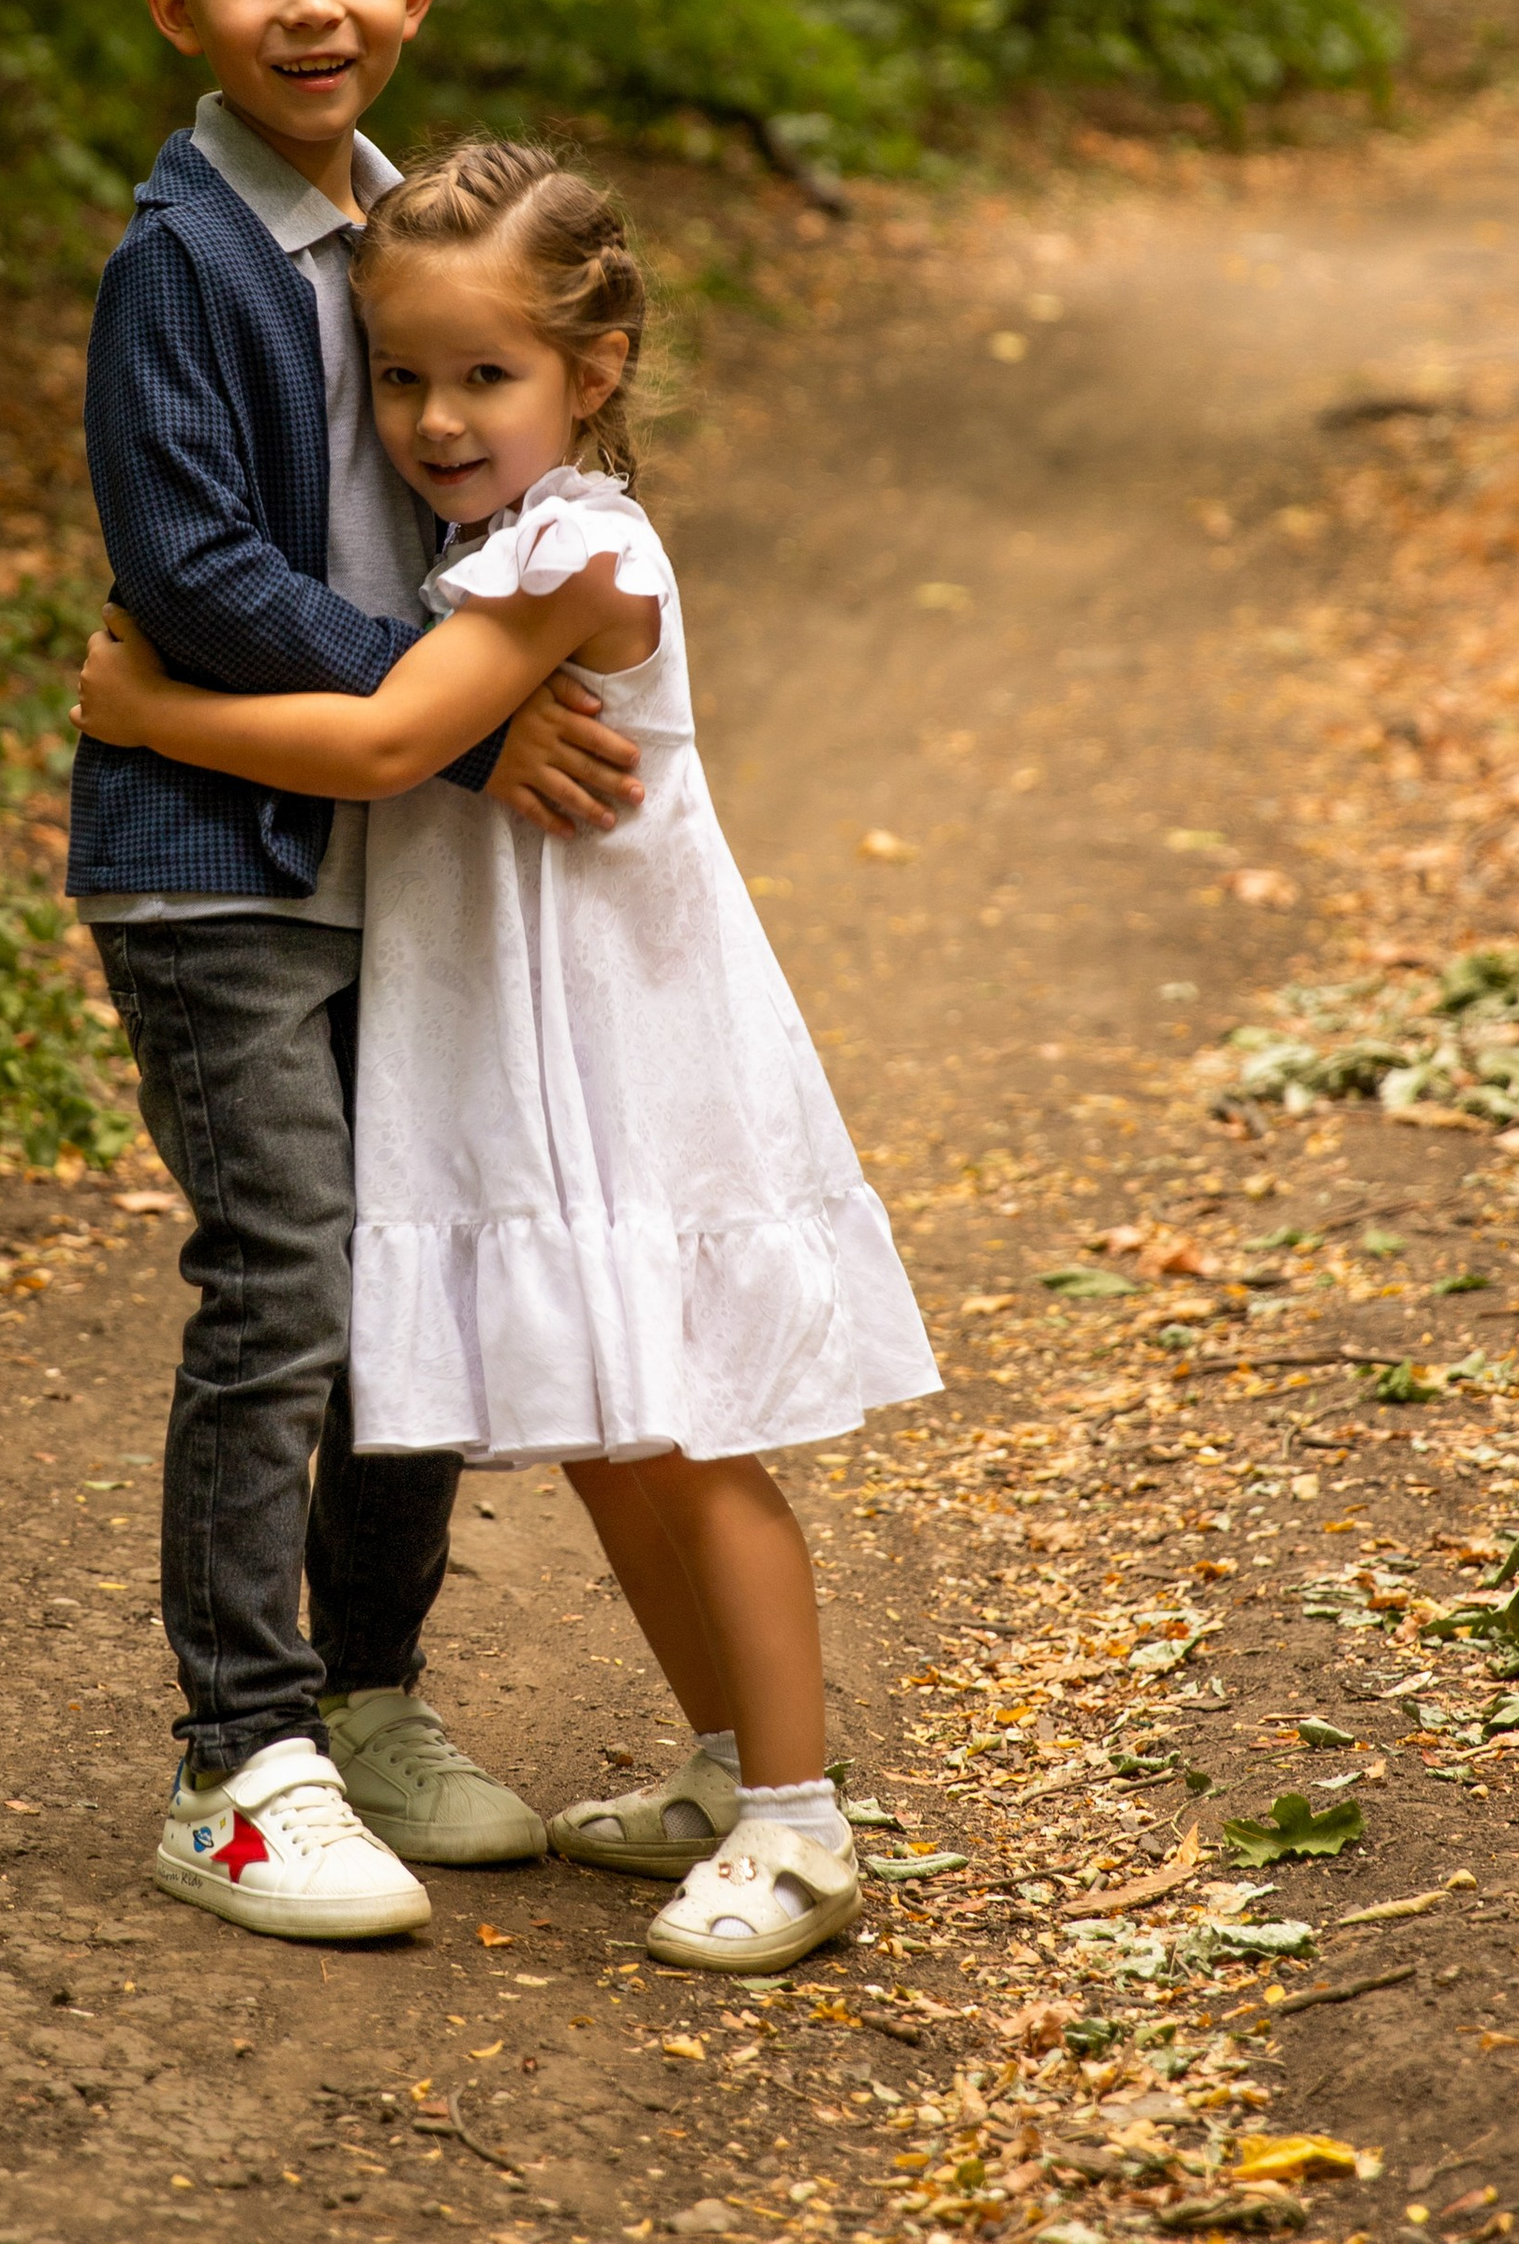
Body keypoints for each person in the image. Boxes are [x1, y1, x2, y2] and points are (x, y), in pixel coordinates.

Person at [76, 138, 941, 1972]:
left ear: (594, 367)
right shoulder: (486, 545)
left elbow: (393, 742)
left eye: (486, 374)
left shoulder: (575, 547)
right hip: (552, 1051)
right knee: (622, 1439)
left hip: (633, 1046)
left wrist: (149, 706)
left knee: (695, 1433)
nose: (436, 418)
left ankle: (801, 1822)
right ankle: (729, 1766)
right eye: (400, 376)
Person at [66, 0, 649, 1945]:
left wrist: (491, 707)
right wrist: (451, 727)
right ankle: (237, 1758)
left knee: (399, 1268)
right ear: (173, 4)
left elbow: (511, 483)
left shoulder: (416, 234)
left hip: (384, 862)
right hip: (219, 862)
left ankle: (366, 1697)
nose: (304, 4)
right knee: (286, 1272)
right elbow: (193, 567)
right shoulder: (185, 256)